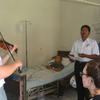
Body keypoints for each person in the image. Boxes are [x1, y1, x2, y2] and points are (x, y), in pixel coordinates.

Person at [69, 25, 100, 100]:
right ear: (80, 32)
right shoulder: (76, 42)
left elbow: (97, 56)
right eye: (82, 30)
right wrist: (72, 58)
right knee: (79, 84)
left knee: (87, 85)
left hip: (87, 65)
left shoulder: (93, 42)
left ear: (89, 32)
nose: (83, 32)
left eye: (85, 30)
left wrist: (85, 55)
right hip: (78, 64)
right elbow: (72, 54)